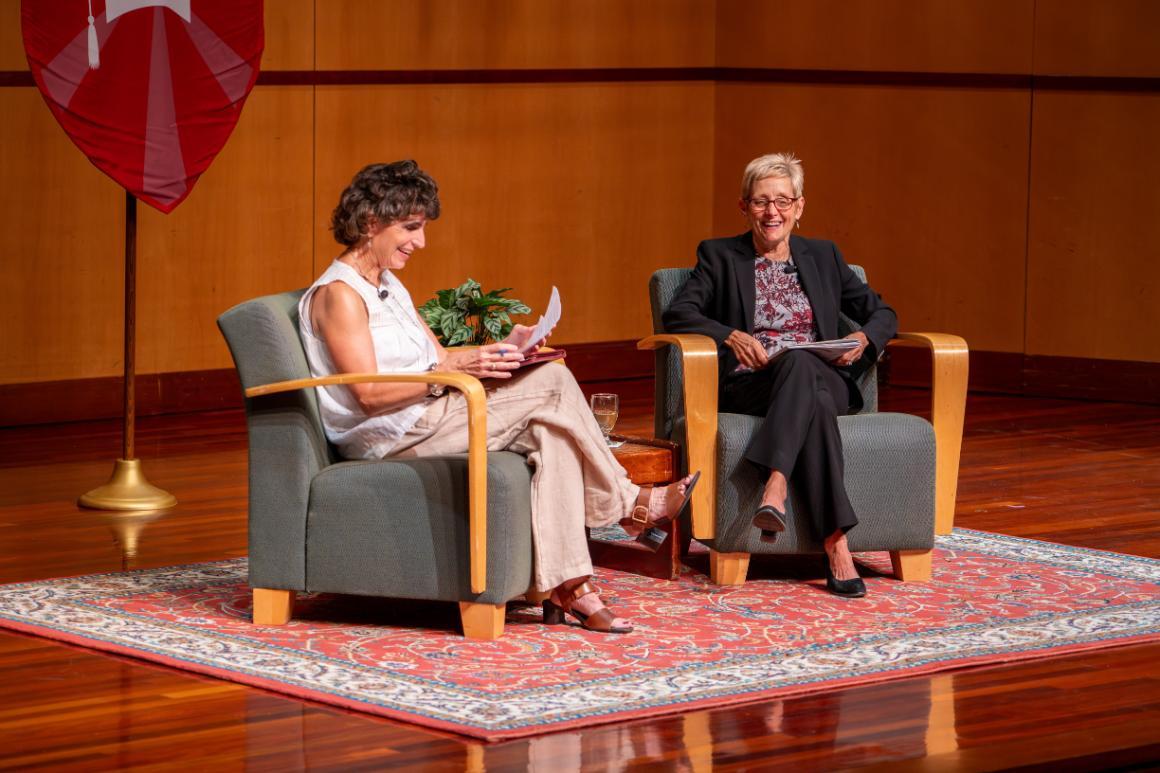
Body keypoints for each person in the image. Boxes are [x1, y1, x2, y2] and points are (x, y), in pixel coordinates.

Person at [298, 160, 697, 633]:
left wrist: (501, 350)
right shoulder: (340, 295)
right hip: (389, 434)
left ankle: (573, 588)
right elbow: (366, 393)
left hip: (426, 413)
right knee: (552, 387)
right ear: (370, 222)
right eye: (410, 228)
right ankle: (629, 503)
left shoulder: (386, 284)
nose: (420, 242)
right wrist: (449, 374)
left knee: (550, 428)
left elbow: (438, 357)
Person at [662, 152, 898, 598]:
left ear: (799, 206)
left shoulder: (824, 256)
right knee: (808, 387)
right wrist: (730, 335)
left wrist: (865, 338)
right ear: (744, 206)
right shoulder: (719, 255)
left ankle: (776, 483)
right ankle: (837, 545)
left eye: (783, 201)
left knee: (804, 363)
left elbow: (883, 313)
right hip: (754, 384)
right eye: (761, 202)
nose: (772, 212)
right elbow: (679, 312)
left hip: (825, 377)